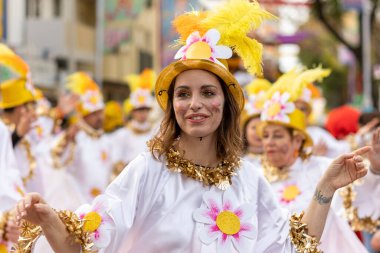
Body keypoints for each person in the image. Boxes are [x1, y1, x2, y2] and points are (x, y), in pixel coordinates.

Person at [14, 2, 376, 253]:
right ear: (171, 105)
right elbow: (86, 244)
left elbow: (294, 246)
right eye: (183, 94)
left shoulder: (248, 180)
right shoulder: (148, 170)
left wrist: (325, 187)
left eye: (207, 92)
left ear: (226, 104)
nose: (195, 104)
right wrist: (47, 217)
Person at [250, 78, 373, 252]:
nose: (269, 142)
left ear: (297, 140)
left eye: (277, 136)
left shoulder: (323, 169)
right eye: (266, 136)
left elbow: (363, 197)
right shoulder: (254, 175)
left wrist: (373, 169)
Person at [241, 77, 271, 161]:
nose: (259, 132)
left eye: (264, 128)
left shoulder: (279, 160)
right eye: (254, 127)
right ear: (245, 130)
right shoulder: (236, 159)